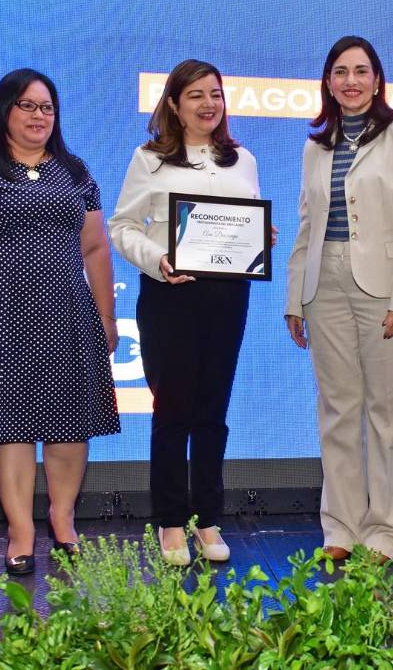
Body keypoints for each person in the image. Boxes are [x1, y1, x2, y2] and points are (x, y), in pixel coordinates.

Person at [0, 68, 120, 576]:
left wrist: (107, 315)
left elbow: (96, 246)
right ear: (5, 112)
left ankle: (63, 521)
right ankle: (21, 530)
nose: (39, 116)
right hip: (0, 314)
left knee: (68, 426)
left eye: (47, 107)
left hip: (68, 313)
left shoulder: (75, 171)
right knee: (11, 427)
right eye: (27, 106)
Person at [284, 36, 393, 562]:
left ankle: (384, 531)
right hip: (324, 284)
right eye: (341, 71)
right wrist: (293, 296)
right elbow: (308, 223)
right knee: (337, 409)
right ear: (328, 81)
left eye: (361, 70)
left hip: (386, 287)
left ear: (377, 79)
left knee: (385, 411)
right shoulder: (315, 145)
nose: (351, 80)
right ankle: (340, 529)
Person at [109, 59, 262, 565]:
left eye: (215, 93)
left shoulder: (242, 159)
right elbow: (122, 227)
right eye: (195, 94)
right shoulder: (149, 159)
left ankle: (208, 520)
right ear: (174, 103)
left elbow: (244, 225)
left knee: (213, 414)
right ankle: (171, 522)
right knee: (173, 412)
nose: (208, 104)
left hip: (226, 298)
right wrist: (158, 258)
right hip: (170, 296)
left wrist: (260, 241)